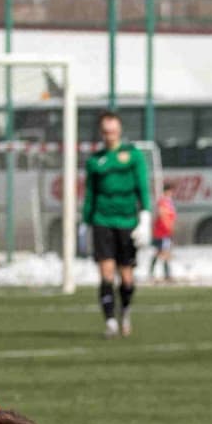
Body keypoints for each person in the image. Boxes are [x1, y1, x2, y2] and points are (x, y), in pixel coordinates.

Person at [82, 111, 151, 337]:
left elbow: (142, 186)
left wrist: (145, 216)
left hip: (127, 222)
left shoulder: (133, 156)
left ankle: (126, 310)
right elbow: (90, 194)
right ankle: (110, 321)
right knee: (106, 273)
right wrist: (85, 222)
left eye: (113, 130)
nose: (109, 135)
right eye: (105, 131)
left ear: (119, 131)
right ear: (101, 133)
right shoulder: (95, 161)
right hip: (102, 220)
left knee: (127, 276)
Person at [148, 188, 178, 281]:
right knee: (164, 252)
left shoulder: (169, 203)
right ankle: (166, 274)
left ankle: (153, 272)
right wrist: (168, 226)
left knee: (161, 252)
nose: (171, 194)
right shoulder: (163, 202)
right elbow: (162, 214)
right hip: (162, 232)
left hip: (165, 232)